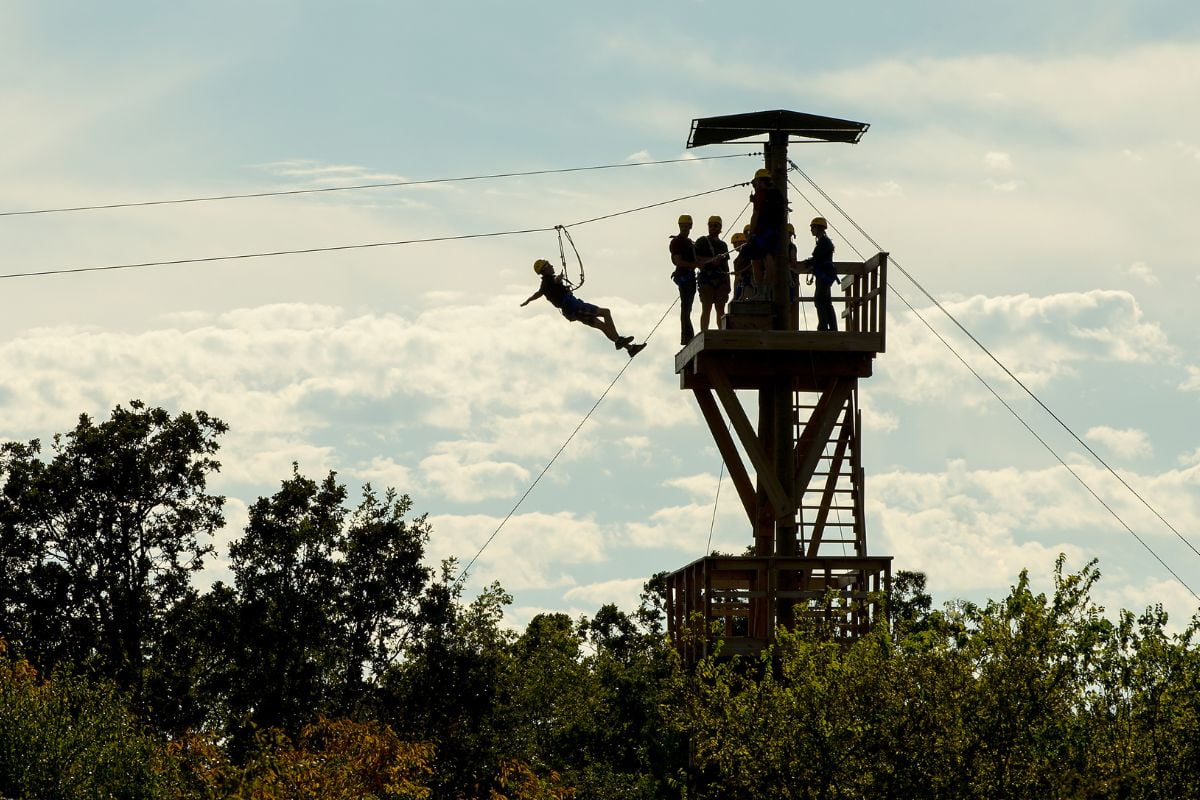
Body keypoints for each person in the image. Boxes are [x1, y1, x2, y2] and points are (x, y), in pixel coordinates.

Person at [521, 259, 646, 356]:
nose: (552, 266)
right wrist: (559, 280)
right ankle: (619, 341)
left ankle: (630, 349)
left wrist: (528, 300)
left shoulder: (545, 284)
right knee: (606, 312)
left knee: (602, 326)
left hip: (570, 311)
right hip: (573, 306)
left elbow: (538, 293)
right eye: (549, 264)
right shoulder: (549, 281)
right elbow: (554, 283)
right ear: (545, 269)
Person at [733, 168, 788, 299]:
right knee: (769, 261)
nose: (754, 186)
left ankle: (760, 292)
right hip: (774, 233)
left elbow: (755, 215)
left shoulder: (761, 195)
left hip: (760, 233)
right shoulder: (778, 195)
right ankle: (766, 293)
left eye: (755, 183)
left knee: (756, 261)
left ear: (759, 181)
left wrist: (751, 234)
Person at [799, 217, 838, 331]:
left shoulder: (824, 242)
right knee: (825, 301)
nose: (811, 229)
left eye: (813, 227)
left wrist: (806, 263)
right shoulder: (824, 241)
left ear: (819, 228)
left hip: (824, 275)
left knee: (820, 300)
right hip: (824, 275)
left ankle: (823, 326)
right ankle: (831, 327)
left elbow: (817, 258)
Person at [694, 215, 731, 331]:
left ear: (720, 228)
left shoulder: (723, 245)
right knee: (707, 308)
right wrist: (712, 260)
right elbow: (697, 259)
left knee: (720, 308)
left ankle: (722, 332)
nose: (713, 228)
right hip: (707, 279)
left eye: (715, 226)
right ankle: (704, 332)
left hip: (721, 280)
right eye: (711, 226)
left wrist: (728, 284)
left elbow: (726, 266)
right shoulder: (702, 241)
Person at [669, 214, 699, 345]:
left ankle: (687, 337)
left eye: (687, 226)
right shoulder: (677, 242)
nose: (685, 228)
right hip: (684, 277)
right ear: (679, 226)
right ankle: (687, 337)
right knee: (686, 308)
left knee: (687, 307)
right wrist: (696, 265)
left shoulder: (689, 242)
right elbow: (678, 261)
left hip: (688, 276)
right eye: (683, 226)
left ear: (690, 226)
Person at [729, 231, 752, 300]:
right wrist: (735, 295)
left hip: (750, 282)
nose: (737, 245)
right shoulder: (736, 261)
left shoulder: (750, 254)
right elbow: (737, 278)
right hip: (743, 284)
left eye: (739, 243)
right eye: (735, 243)